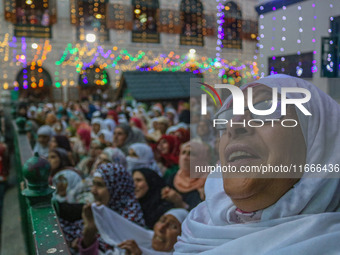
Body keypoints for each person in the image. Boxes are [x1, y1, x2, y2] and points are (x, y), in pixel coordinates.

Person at [174, 74, 340, 254]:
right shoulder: (196, 230)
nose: (233, 124)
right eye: (228, 116)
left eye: (264, 107)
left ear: (320, 143)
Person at [78, 163, 145, 253]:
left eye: (100, 185)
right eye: (93, 184)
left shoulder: (131, 222)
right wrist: (89, 233)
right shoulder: (99, 213)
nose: (93, 190)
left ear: (118, 188)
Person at [80, 206, 188, 255]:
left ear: (183, 238)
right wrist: (89, 234)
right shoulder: (143, 240)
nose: (161, 228)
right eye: (161, 220)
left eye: (173, 226)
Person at [162, 141, 209, 211]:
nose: (185, 157)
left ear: (201, 158)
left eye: (191, 154)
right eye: (183, 153)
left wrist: (181, 204)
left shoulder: (208, 182)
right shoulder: (173, 177)